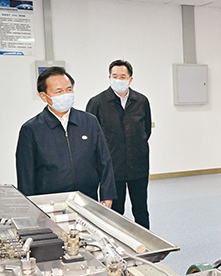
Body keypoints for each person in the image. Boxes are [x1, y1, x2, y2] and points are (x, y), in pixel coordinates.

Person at [16, 66, 116, 206]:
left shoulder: (89, 121)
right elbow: (26, 174)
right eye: (59, 91)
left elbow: (104, 160)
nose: (65, 94)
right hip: (49, 203)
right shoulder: (31, 129)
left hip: (87, 199)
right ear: (44, 96)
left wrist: (107, 194)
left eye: (69, 89)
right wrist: (31, 206)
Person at [86, 60, 152, 229]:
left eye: (123, 76)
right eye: (115, 76)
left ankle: (144, 242)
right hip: (112, 169)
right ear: (109, 77)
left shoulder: (141, 101)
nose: (119, 80)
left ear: (130, 79)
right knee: (115, 212)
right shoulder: (97, 103)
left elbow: (146, 131)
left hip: (138, 166)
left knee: (141, 210)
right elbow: (92, 137)